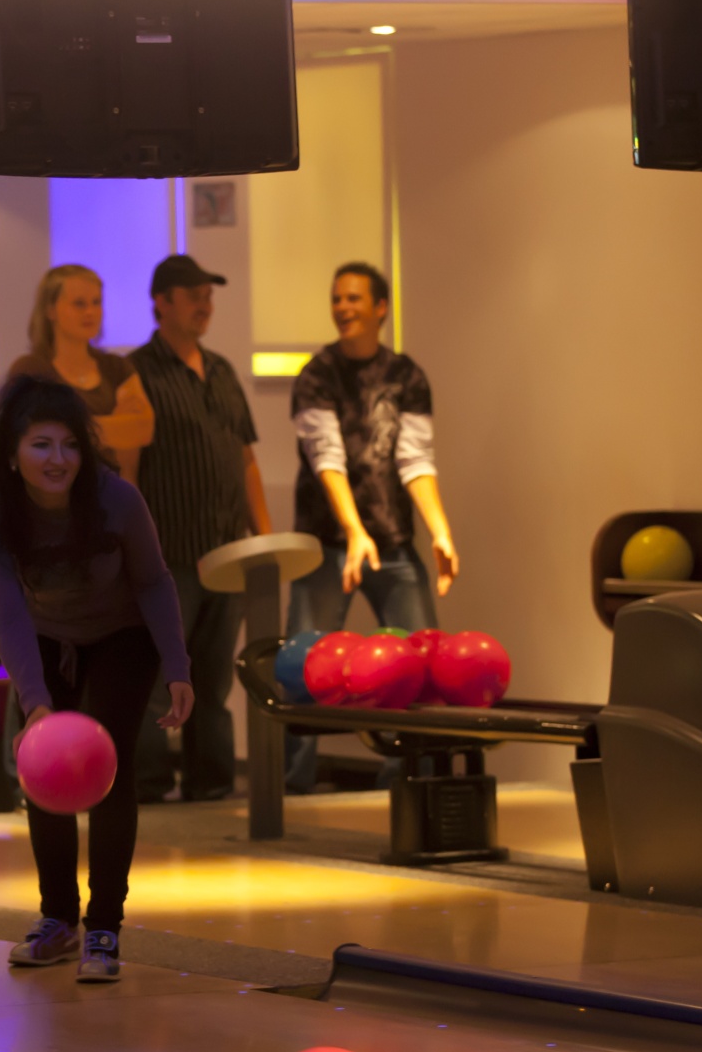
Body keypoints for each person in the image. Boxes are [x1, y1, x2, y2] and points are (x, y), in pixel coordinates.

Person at [0, 375, 194, 982]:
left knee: (106, 762)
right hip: (48, 639)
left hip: (124, 637)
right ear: (13, 453)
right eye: (41, 445)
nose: (57, 459)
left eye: (69, 444)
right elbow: (9, 613)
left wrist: (178, 666)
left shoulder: (116, 500)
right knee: (45, 771)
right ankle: (57, 920)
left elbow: (154, 582)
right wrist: (35, 704)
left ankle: (104, 927)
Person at [284, 263, 460, 794]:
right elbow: (326, 458)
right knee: (304, 666)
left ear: (381, 308)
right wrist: (353, 531)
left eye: (354, 298)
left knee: (421, 660)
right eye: (337, 298)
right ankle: (289, 786)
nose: (343, 308)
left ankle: (413, 776)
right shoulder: (317, 374)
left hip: (392, 542)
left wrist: (440, 531)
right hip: (326, 542)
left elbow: (415, 461)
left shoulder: (407, 376)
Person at [129, 253, 269, 802]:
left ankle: (211, 782)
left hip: (227, 552)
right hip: (170, 554)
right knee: (158, 675)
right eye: (193, 295)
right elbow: (128, 468)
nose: (205, 304)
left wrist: (263, 538)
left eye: (209, 295)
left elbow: (247, 458)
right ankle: (147, 780)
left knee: (213, 678)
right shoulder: (136, 372)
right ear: (161, 303)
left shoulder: (224, 370)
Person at [9, 265, 156, 484]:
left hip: (108, 498)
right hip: (51, 501)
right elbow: (33, 442)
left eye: (96, 302)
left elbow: (143, 428)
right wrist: (114, 426)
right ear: (50, 309)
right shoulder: (31, 370)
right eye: (79, 304)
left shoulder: (116, 367)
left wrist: (73, 431)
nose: (90, 311)